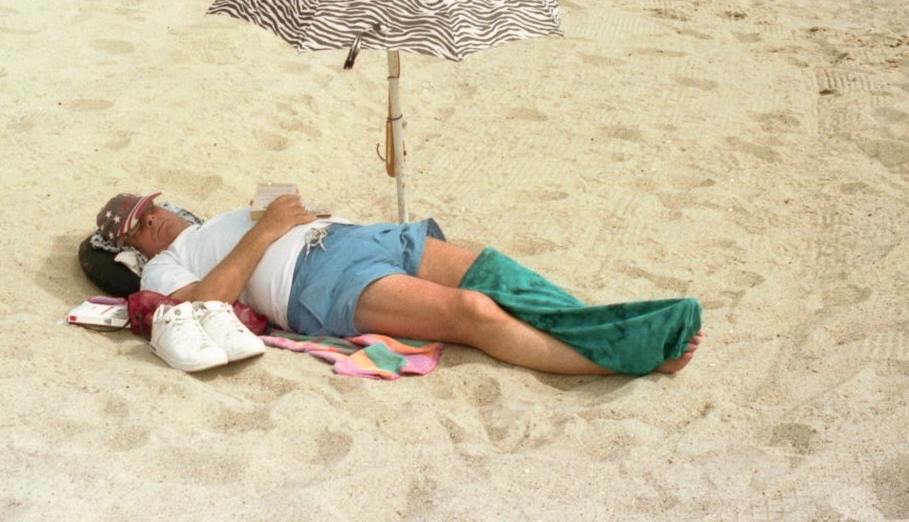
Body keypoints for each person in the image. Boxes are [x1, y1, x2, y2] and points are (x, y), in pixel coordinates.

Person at [96, 192, 704, 376]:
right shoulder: (164, 265)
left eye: (153, 206)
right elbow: (202, 303)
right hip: (320, 281)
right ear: (135, 246)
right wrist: (269, 231)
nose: (155, 218)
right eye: (139, 225)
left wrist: (290, 213)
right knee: (471, 311)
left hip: (358, 238)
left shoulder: (221, 216)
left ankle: (606, 327)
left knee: (497, 272)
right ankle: (635, 359)